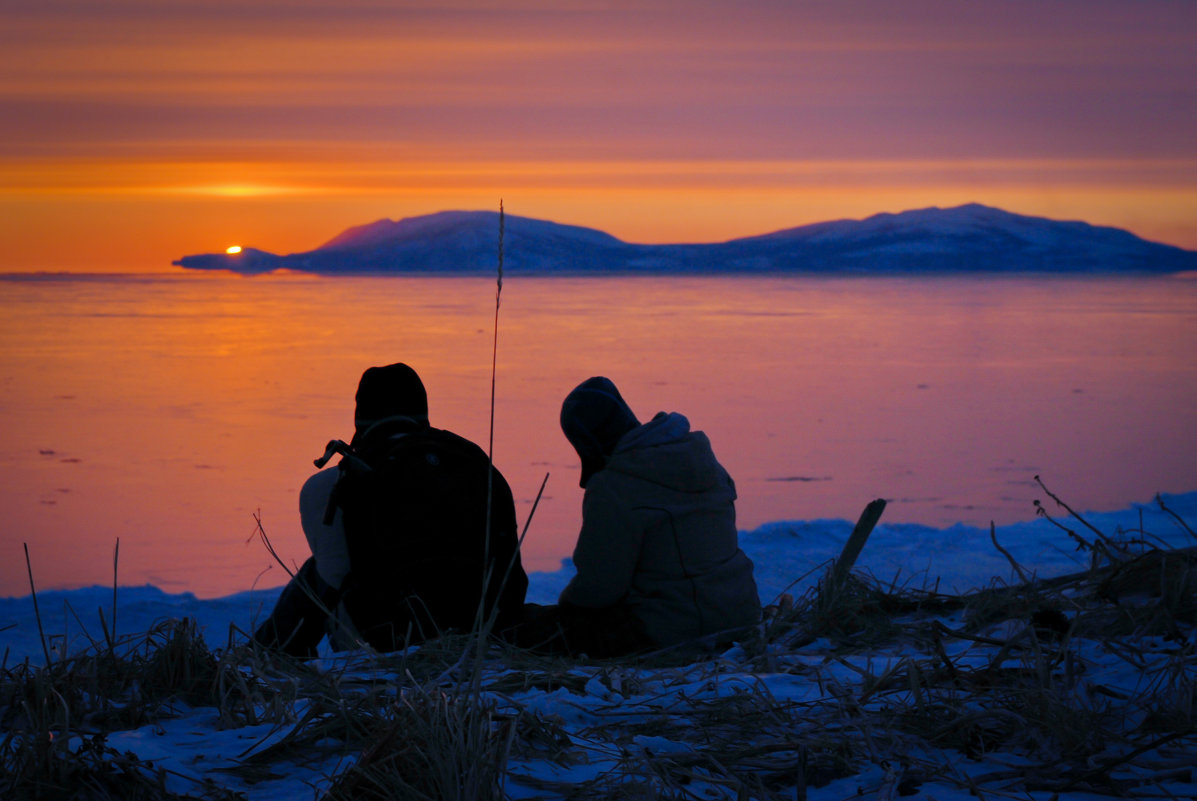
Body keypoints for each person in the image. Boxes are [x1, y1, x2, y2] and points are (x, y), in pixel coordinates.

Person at [253, 363, 527, 657]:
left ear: (360, 418)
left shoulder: (333, 483)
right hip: (490, 629)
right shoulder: (473, 461)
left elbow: (332, 583)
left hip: (390, 642)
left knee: (320, 568)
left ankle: (267, 656)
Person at [516, 377, 760, 657]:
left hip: (673, 630)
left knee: (526, 628)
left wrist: (567, 612)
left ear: (586, 442)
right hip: (741, 614)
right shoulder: (703, 461)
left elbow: (600, 589)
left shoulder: (614, 487)